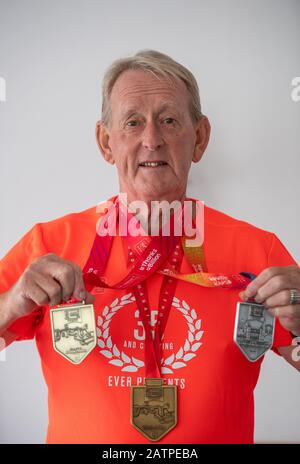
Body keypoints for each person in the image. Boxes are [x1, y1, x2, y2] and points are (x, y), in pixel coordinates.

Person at [0, 50, 299, 444]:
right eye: (133, 122)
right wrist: (11, 305)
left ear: (201, 138)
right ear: (106, 142)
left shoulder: (258, 251)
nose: (151, 140)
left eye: (170, 120)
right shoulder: (48, 247)